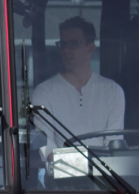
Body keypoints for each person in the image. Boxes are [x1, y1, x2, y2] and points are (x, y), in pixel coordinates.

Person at [30, 16, 125, 151]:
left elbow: (113, 144)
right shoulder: (44, 92)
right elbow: (46, 146)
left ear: (90, 48)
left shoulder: (114, 91)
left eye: (73, 43)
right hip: (60, 170)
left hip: (102, 171)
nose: (66, 50)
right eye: (63, 44)